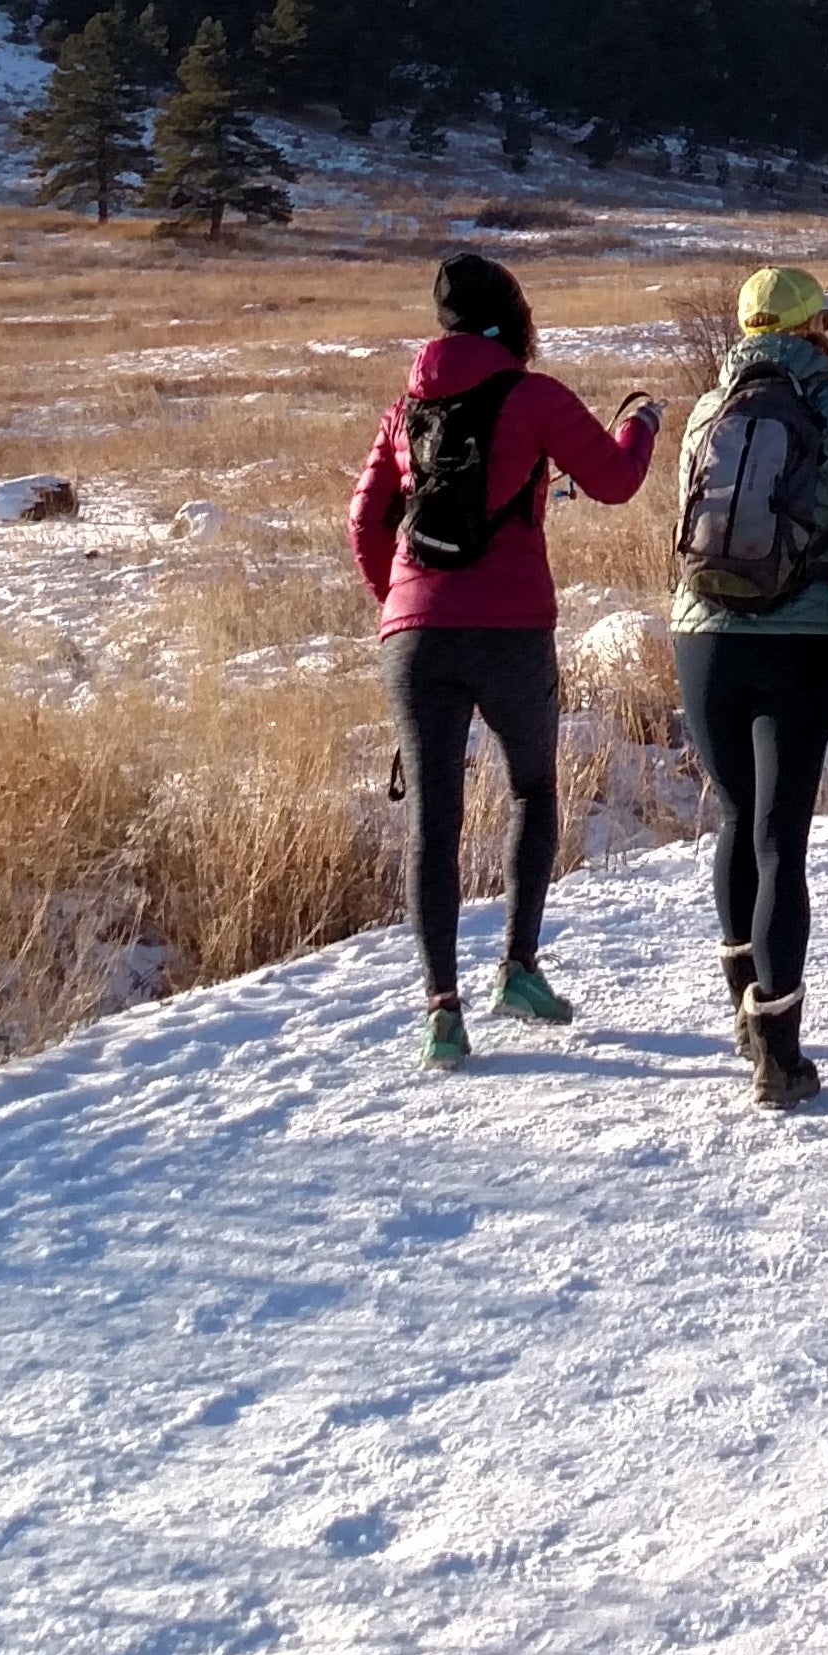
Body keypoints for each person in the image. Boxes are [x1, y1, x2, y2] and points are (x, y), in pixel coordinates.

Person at [347, 249, 662, 1073]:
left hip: (413, 636)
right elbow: (616, 481)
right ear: (513, 319)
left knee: (434, 821)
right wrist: (645, 424)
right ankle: (519, 968)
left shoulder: (403, 410)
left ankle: (441, 1011)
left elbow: (365, 520)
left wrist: (399, 602)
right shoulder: (534, 396)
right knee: (531, 789)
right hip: (513, 627)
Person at [669, 262, 828, 1108]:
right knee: (781, 840)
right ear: (815, 330)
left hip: (700, 638)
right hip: (799, 637)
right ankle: (779, 1051)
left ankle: (743, 1009)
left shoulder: (707, 409)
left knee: (736, 820)